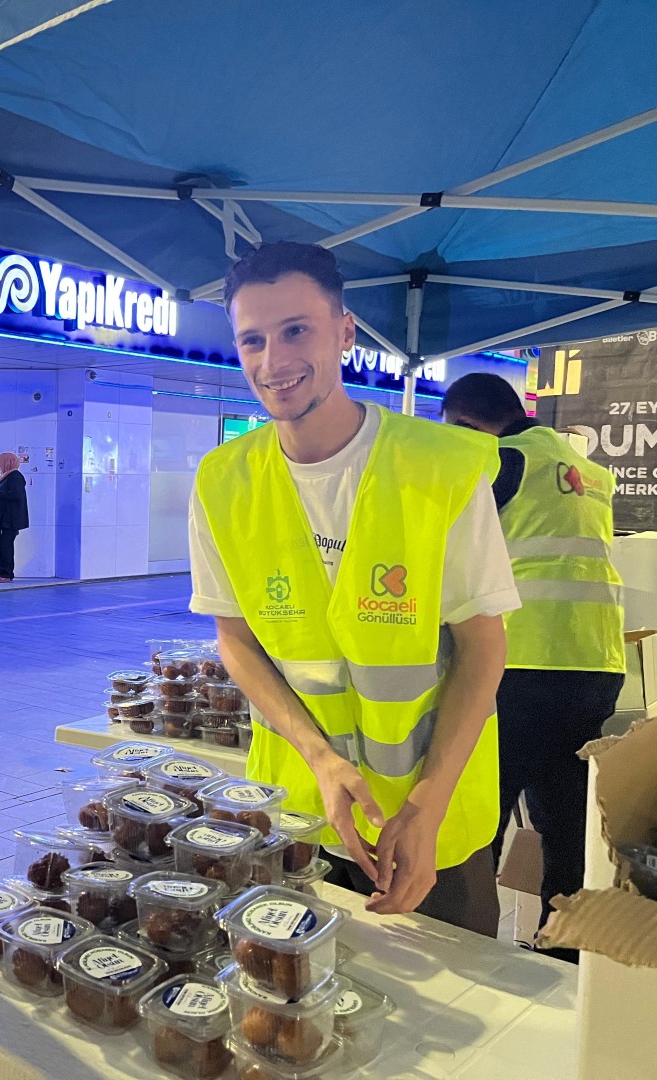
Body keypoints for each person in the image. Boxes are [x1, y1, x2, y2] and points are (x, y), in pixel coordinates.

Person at [189, 242, 519, 936]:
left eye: (296, 331)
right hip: (296, 812)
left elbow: (484, 648)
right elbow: (235, 637)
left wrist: (425, 808)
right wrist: (321, 758)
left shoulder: (440, 469)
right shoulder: (222, 481)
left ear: (344, 331)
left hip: (427, 820)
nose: (273, 362)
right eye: (253, 339)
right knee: (289, 1018)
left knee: (452, 1016)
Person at [443, 372, 625, 950]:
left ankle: (468, 944)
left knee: (480, 812)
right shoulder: (591, 470)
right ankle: (562, 946)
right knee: (564, 815)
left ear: (471, 427)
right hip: (596, 663)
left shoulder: (500, 460)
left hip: (520, 662)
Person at [0, 452, 29, 582]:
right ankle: (3, 573)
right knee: (3, 546)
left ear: (7, 462)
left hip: (8, 520)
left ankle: (6, 574)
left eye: (0, 463)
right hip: (3, 520)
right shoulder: (6, 477)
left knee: (5, 547)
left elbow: (16, 495)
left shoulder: (15, 476)